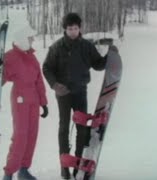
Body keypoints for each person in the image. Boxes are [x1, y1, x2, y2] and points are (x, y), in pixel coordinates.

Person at [42, 13, 119, 179]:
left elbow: (98, 64)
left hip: (80, 92)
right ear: (65, 29)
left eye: (76, 28)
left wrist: (109, 57)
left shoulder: (86, 46)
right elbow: (47, 68)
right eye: (70, 28)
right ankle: (64, 166)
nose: (73, 31)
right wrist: (55, 85)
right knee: (64, 127)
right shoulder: (56, 47)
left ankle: (78, 164)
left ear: (80, 28)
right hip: (63, 93)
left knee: (82, 128)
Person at [0, 26, 49, 180]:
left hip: (34, 100)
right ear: (23, 39)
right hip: (20, 99)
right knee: (20, 136)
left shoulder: (32, 56)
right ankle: (9, 172)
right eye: (30, 38)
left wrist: (43, 103)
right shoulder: (10, 56)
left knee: (32, 135)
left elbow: (39, 81)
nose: (33, 40)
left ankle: (23, 170)